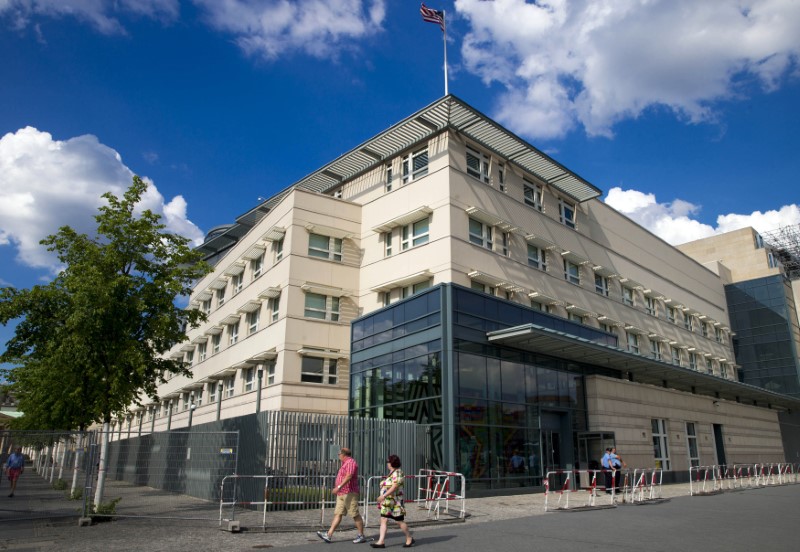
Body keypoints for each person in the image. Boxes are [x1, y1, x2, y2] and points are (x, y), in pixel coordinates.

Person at [317, 447, 370, 544]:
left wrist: (339, 487)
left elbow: (349, 476)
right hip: (342, 493)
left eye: (339, 454)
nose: (338, 455)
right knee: (338, 514)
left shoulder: (350, 462)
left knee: (355, 514)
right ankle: (329, 535)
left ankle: (361, 535)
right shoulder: (345, 463)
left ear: (343, 454)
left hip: (349, 493)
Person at [370, 455, 415, 548]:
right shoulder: (392, 472)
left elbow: (394, 487)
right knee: (383, 519)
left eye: (388, 461)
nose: (387, 463)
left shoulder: (398, 473)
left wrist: (383, 496)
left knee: (399, 521)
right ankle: (381, 541)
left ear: (392, 463)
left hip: (395, 502)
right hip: (387, 502)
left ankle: (409, 537)